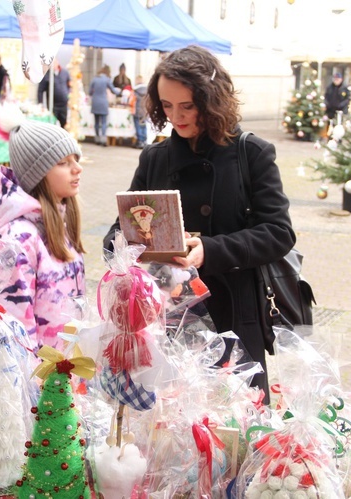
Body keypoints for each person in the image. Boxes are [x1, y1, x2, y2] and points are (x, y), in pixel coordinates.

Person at [102, 46, 295, 403]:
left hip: (233, 315)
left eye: (187, 106)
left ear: (210, 100)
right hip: (168, 319)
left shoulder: (251, 153)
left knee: (237, 427)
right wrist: (135, 248)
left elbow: (279, 232)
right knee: (173, 433)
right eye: (167, 105)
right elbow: (114, 238)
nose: (176, 116)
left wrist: (210, 249)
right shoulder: (155, 159)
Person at [0, 119, 85, 349]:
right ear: (37, 175)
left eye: (76, 160)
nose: (77, 168)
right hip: (40, 377)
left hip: (62, 373)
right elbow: (12, 326)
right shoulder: (19, 240)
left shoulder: (59, 223)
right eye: (63, 162)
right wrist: (35, 381)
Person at [89, 65, 121, 147]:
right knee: (103, 122)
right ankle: (103, 139)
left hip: (95, 102)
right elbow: (113, 91)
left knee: (96, 122)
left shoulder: (94, 79)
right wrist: (120, 91)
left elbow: (90, 92)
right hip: (103, 102)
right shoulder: (107, 80)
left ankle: (97, 139)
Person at [38, 61, 71, 128]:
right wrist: (40, 103)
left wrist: (68, 94)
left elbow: (69, 85)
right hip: (52, 105)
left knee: (64, 124)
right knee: (52, 125)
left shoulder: (65, 73)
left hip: (63, 105)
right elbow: (40, 90)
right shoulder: (47, 75)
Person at [131, 74, 148, 148]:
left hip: (137, 110)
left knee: (138, 126)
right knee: (143, 126)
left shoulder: (135, 91)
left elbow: (131, 101)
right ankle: (144, 141)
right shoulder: (147, 90)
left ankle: (140, 141)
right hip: (145, 111)